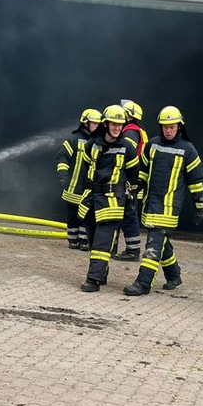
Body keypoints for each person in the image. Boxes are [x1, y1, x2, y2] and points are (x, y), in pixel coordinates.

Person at [124, 106, 203, 296]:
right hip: (151, 204)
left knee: (153, 245)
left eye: (172, 126)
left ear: (179, 126)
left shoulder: (188, 150)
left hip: (169, 208)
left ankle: (143, 283)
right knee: (162, 243)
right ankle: (174, 275)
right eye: (165, 127)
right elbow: (143, 170)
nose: (169, 130)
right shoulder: (152, 145)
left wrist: (199, 206)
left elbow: (196, 180)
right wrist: (137, 189)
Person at [79, 104, 140, 292]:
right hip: (92, 199)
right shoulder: (92, 144)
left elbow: (134, 175)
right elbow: (84, 170)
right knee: (91, 238)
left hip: (113, 200)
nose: (116, 128)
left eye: (120, 125)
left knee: (102, 241)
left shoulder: (128, 148)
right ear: (105, 124)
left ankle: (93, 279)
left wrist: (132, 199)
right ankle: (101, 272)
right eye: (113, 124)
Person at [57, 109, 101, 250]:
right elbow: (62, 157)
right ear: (85, 124)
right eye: (94, 123)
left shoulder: (99, 142)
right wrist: (63, 175)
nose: (97, 127)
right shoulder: (73, 139)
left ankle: (85, 241)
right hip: (72, 186)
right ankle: (72, 240)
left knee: (86, 216)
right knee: (72, 217)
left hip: (88, 188)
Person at [113, 98, 149, 261]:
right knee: (126, 214)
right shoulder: (135, 130)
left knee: (127, 215)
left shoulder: (130, 132)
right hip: (133, 180)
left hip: (129, 181)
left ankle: (133, 251)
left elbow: (126, 154)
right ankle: (130, 249)